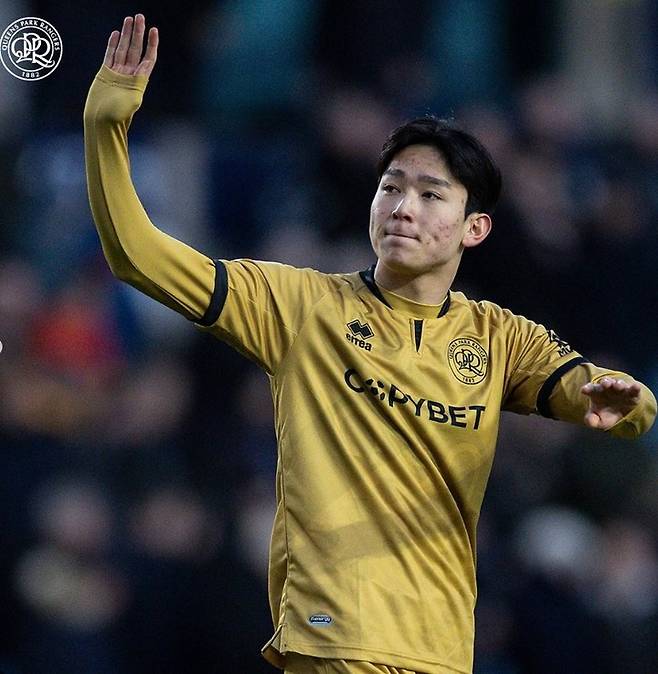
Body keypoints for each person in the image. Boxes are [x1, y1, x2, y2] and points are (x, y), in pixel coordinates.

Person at [84, 14, 656, 674]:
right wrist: (106, 127)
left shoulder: (499, 337)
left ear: (473, 228)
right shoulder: (299, 306)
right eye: (391, 188)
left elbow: (604, 395)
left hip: (440, 654)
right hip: (333, 645)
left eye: (430, 194)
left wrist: (626, 403)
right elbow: (137, 255)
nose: (403, 207)